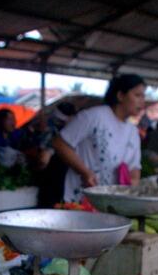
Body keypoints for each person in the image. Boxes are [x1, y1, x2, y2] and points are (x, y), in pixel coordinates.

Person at [53, 74, 145, 202]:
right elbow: (60, 143)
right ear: (120, 96)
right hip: (80, 200)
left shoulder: (133, 131)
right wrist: (85, 172)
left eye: (143, 96)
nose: (142, 101)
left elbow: (134, 167)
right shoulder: (94, 116)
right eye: (137, 95)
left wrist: (132, 184)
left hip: (110, 203)